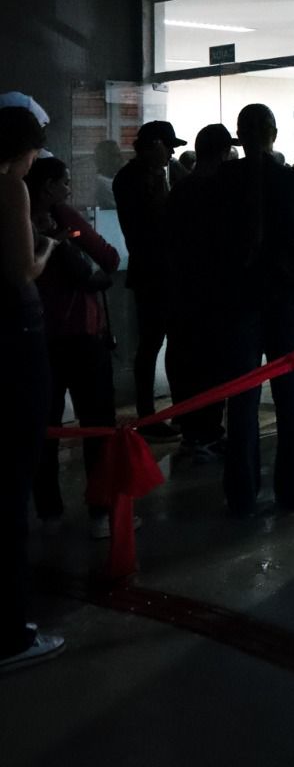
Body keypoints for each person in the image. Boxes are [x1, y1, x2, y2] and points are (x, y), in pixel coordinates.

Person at [216, 104, 294, 517]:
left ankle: (242, 494)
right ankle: (293, 491)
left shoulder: (223, 181)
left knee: (241, 400)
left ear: (240, 135)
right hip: (289, 296)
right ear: (274, 134)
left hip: (239, 298)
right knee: (291, 397)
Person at [0, 105, 64, 673]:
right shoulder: (10, 188)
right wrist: (46, 250)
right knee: (13, 482)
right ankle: (11, 634)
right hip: (15, 335)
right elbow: (22, 269)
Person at [26, 158, 119, 538]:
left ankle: (48, 511)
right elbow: (108, 257)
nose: (69, 189)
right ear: (48, 186)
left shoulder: (16, 219)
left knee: (45, 426)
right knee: (97, 424)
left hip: (35, 335)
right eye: (64, 182)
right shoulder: (62, 216)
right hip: (81, 332)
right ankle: (101, 511)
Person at [166, 124, 237, 461]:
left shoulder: (180, 190)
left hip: (182, 291)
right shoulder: (221, 192)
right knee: (212, 366)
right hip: (214, 294)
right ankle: (207, 433)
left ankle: (193, 431)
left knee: (186, 361)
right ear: (223, 153)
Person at [112, 120, 187, 437]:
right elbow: (159, 221)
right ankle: (151, 417)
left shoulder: (140, 176)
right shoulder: (138, 179)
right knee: (154, 344)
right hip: (155, 273)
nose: (171, 154)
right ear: (155, 144)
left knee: (162, 343)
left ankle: (169, 412)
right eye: (169, 147)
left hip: (155, 272)